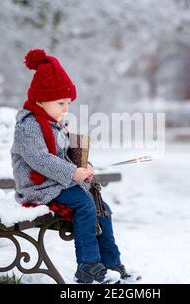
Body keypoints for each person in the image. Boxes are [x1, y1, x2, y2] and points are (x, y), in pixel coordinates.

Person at [11, 48, 138, 283]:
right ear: (40, 100)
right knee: (85, 206)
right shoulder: (29, 126)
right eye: (60, 103)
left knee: (102, 208)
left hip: (59, 183)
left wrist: (82, 166)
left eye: (68, 103)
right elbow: (40, 159)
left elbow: (63, 154)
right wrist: (73, 172)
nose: (65, 108)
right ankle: (88, 266)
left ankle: (111, 263)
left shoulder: (55, 124)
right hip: (39, 189)